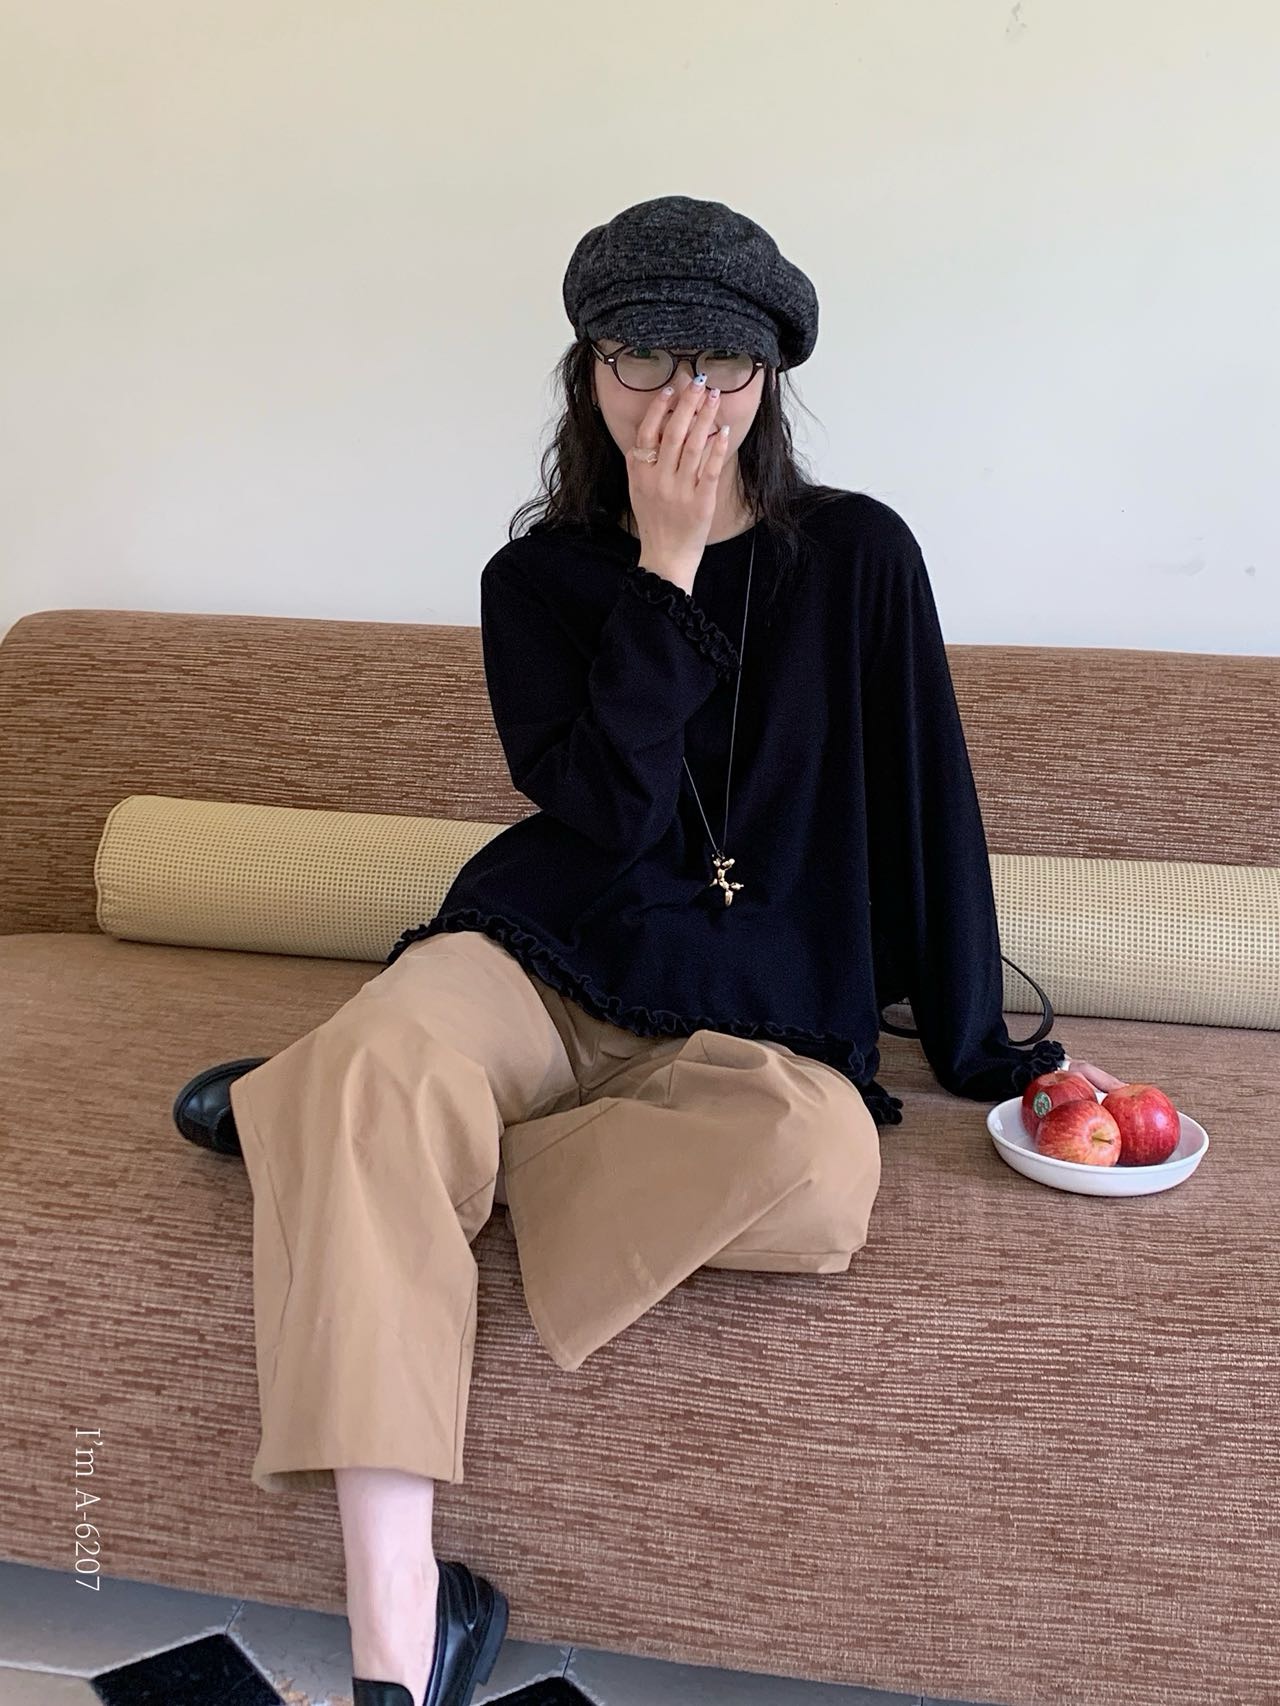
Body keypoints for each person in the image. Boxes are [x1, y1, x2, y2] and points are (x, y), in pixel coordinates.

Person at [173, 195, 1124, 1706]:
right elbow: (607, 810)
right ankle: (400, 1632)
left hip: (746, 1022)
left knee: (821, 1175)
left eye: (719, 363)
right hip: (543, 950)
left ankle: (340, 1128)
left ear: (768, 375)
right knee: (392, 1060)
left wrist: (987, 1050)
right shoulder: (537, 580)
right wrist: (664, 567)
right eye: (645, 359)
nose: (684, 399)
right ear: (588, 371)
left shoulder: (859, 555)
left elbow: (928, 803)